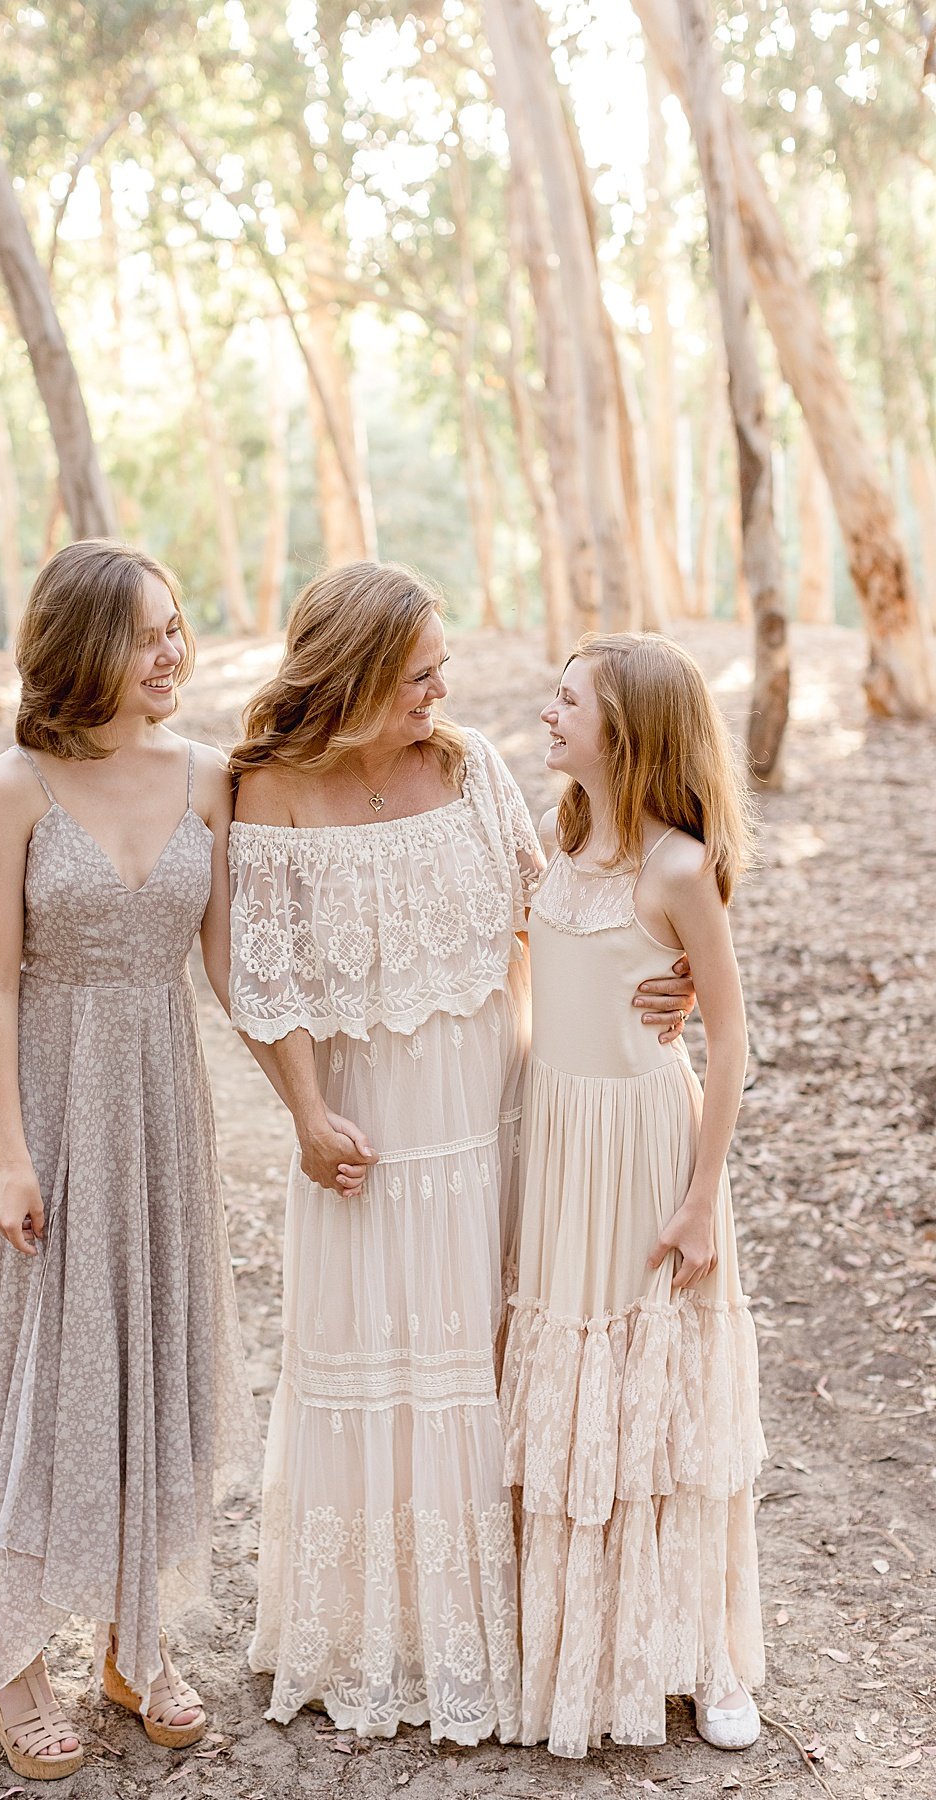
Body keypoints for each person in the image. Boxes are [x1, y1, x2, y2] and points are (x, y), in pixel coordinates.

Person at [226, 566, 695, 1744]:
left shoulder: (471, 767)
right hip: (366, 1136)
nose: (446, 689)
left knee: (488, 1355)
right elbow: (255, 980)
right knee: (374, 1358)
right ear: (351, 676)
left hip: (492, 1117)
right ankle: (382, 1634)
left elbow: (567, 912)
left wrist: (669, 967)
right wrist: (303, 1111)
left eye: (441, 668)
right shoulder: (271, 794)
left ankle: (508, 1627)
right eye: (419, 673)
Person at [0, 541, 257, 1779]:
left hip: (162, 1113)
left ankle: (135, 1637)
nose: (176, 651)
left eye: (179, 627)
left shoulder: (213, 777)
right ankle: (10, 1660)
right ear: (83, 648)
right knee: (36, 1379)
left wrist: (320, 1101)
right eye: (149, 633)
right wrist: (13, 1154)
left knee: (148, 1364)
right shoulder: (13, 785)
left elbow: (238, 975)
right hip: (46, 1113)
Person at [501, 632, 765, 1760]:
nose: (548, 712)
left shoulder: (675, 866)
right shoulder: (559, 842)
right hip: (562, 1145)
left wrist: (703, 1197)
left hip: (646, 1149)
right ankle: (587, 1650)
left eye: (570, 701)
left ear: (627, 729)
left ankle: (707, 1655)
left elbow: (730, 1031)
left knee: (663, 1403)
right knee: (579, 1393)